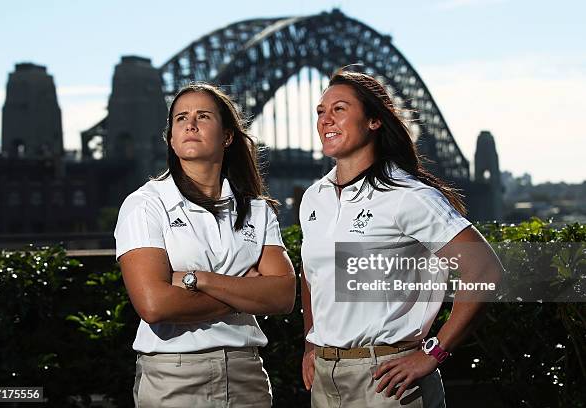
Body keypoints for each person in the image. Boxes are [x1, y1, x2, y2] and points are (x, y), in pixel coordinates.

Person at [299, 69, 503, 407]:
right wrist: (310, 345)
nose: (325, 119)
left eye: (339, 109)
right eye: (321, 111)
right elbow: (312, 275)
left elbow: (485, 271)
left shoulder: (408, 195)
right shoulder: (314, 197)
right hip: (325, 379)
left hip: (388, 380)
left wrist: (434, 353)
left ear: (374, 121)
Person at [114, 83, 296, 407]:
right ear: (171, 138)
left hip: (247, 373)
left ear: (227, 136)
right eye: (181, 118)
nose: (190, 124)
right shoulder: (145, 205)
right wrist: (246, 294)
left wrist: (200, 280)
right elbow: (154, 305)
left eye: (203, 116)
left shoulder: (256, 209)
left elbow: (283, 295)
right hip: (174, 377)